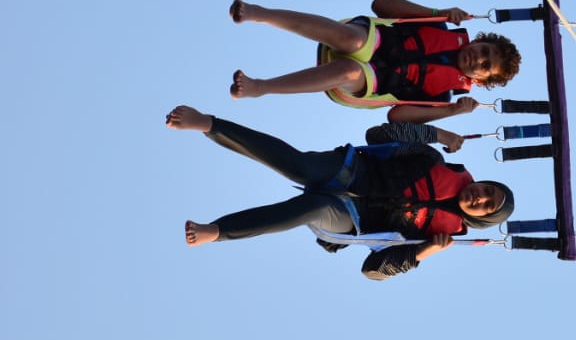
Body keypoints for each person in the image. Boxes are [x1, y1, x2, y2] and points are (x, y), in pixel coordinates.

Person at [166, 105, 514, 281]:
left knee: (308, 210)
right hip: (351, 170)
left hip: (350, 217)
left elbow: (372, 270)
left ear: (480, 218)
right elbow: (380, 133)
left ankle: (218, 231)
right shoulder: (432, 159)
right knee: (298, 165)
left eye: (486, 205)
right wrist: (435, 134)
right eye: (486, 190)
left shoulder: (438, 236)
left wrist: (424, 252)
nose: (479, 197)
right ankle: (209, 124)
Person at [228, 0, 521, 134]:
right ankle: (260, 13)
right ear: (478, 39)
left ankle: (260, 87)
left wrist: (450, 111)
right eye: (484, 50)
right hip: (373, 39)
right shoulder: (442, 26)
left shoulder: (443, 98)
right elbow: (381, 5)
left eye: (485, 65)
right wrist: (438, 12)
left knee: (349, 71)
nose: (478, 58)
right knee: (353, 41)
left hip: (371, 82)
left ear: (480, 81)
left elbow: (397, 116)